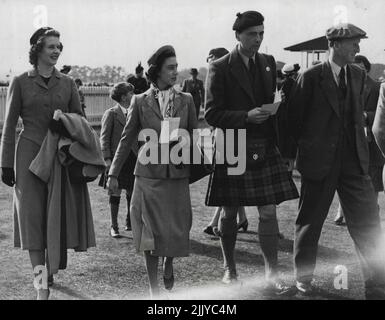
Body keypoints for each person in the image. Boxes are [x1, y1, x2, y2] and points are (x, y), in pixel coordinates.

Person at [204, 11, 299, 295]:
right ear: (237, 36)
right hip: (233, 143)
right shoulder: (219, 67)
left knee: (268, 213)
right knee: (230, 211)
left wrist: (277, 106)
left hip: (262, 145)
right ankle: (229, 270)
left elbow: (271, 103)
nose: (257, 39)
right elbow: (211, 113)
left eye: (261, 34)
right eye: (251, 35)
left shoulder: (268, 63)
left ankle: (272, 275)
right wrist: (246, 116)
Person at [288, 23, 385, 299]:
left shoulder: (358, 74)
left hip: (354, 162)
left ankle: (377, 283)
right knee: (309, 223)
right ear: (335, 44)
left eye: (358, 43)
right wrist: (304, 151)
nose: (358, 48)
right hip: (319, 162)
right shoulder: (310, 76)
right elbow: (294, 120)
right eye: (353, 42)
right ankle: (303, 281)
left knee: (367, 222)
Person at [0, 27, 95, 300]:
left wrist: (65, 122)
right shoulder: (20, 81)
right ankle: (41, 285)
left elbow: (80, 119)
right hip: (28, 156)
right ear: (37, 50)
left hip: (59, 158)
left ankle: (49, 269)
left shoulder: (67, 83)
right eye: (51, 46)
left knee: (54, 218)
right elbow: (8, 127)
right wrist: (6, 164)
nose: (56, 51)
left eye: (59, 46)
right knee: (32, 222)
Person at [107, 45, 198, 298]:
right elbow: (126, 139)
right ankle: (153, 289)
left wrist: (185, 143)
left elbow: (193, 134)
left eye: (176, 67)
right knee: (148, 232)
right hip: (146, 175)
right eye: (170, 68)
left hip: (176, 177)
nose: (175, 72)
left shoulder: (187, 100)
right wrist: (113, 173)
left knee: (174, 230)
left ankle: (169, 261)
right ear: (156, 71)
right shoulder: (138, 101)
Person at [202, 47, 249, 237]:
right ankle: (242, 217)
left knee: (230, 186)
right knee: (233, 184)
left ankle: (217, 221)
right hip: (223, 135)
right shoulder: (217, 76)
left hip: (233, 136)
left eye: (211, 58)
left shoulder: (227, 78)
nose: (209, 62)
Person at [334, 55, 383, 225]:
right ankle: (342, 210)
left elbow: (380, 114)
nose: (358, 71)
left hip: (370, 139)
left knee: (372, 177)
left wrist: (365, 116)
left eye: (362, 67)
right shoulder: (344, 86)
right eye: (355, 67)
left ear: (367, 69)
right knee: (348, 174)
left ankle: (372, 210)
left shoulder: (377, 87)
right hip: (349, 138)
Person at [99, 82, 137, 237]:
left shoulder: (136, 112)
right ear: (123, 97)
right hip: (117, 159)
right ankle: (114, 226)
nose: (133, 95)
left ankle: (130, 222)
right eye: (130, 93)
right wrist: (107, 159)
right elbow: (104, 139)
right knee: (115, 191)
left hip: (134, 157)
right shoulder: (111, 113)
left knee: (132, 191)